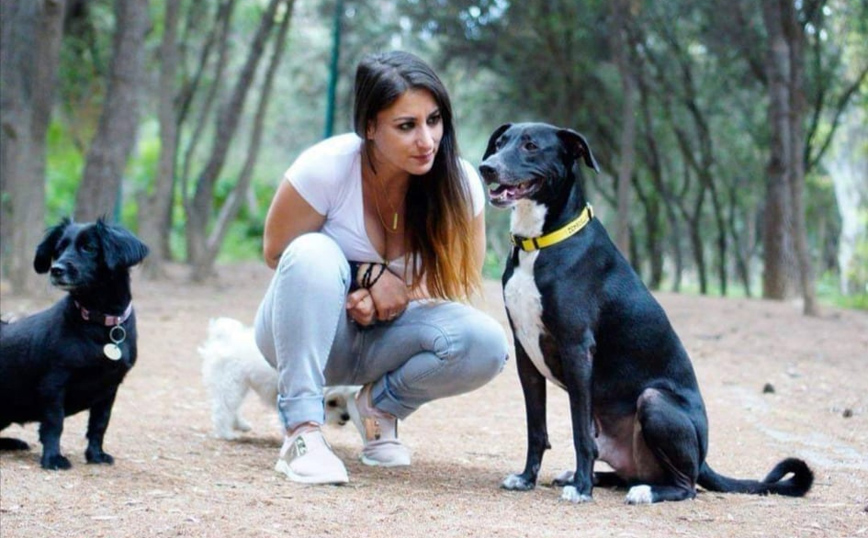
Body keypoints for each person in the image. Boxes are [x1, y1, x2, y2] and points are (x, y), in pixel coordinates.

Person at [253, 50, 509, 484]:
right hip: (309, 336)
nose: (427, 140)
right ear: (370, 127)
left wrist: (393, 295)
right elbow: (278, 252)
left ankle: (378, 408)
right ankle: (302, 430)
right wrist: (367, 276)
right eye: (406, 126)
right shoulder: (325, 167)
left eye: (434, 120)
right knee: (312, 251)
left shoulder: (460, 183)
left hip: (388, 339)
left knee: (486, 342)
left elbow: (458, 277)